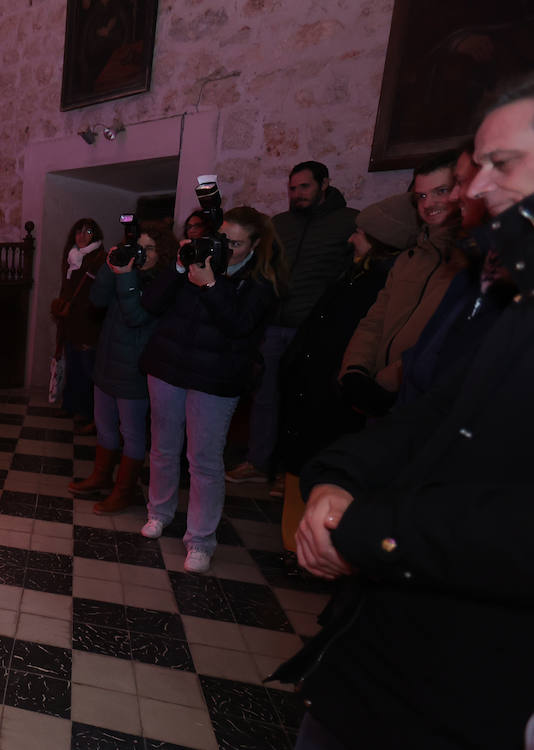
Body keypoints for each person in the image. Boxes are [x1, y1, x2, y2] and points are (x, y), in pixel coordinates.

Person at [274, 73, 534, 750]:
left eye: (500, 166)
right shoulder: (514, 300)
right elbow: (441, 407)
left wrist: (366, 531)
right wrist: (336, 478)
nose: (472, 191)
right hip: (390, 641)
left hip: (480, 668)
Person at [138, 207, 281, 573]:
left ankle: (200, 540)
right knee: (163, 449)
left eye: (236, 243)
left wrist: (212, 285)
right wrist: (180, 268)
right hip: (168, 367)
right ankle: (159, 513)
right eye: (224, 240)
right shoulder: (199, 262)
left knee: (203, 461)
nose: (227, 249)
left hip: (216, 379)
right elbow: (151, 303)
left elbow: (239, 326)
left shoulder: (261, 282)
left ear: (255, 245)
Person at [275, 193, 414, 549]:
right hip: (312, 385)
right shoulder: (353, 273)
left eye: (360, 234)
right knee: (300, 463)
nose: (351, 238)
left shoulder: (383, 284)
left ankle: (308, 548)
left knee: (322, 469)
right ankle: (292, 544)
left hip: (336, 392)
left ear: (381, 241)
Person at [227, 161, 357, 487]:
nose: (297, 193)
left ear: (324, 184)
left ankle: (293, 471)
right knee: (265, 397)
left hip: (313, 328)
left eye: (304, 187)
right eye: (292, 188)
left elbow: (350, 273)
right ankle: (259, 462)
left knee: (305, 400)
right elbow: (262, 265)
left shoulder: (348, 222)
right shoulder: (280, 223)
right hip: (273, 324)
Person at [337, 152, 465, 417]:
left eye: (440, 190)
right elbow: (374, 320)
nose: (429, 203)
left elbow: (449, 339)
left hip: (424, 400)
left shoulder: (470, 262)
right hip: (378, 395)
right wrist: (354, 370)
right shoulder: (410, 259)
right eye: (421, 196)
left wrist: (389, 381)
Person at [69, 226, 174, 514]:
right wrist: (110, 265)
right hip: (107, 363)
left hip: (135, 370)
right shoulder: (126, 274)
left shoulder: (162, 285)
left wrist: (125, 277)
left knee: (132, 433)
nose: (143, 253)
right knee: (104, 427)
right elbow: (98, 300)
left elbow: (135, 317)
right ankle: (101, 477)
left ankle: (124, 491)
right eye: (139, 247)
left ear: (163, 253)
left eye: (150, 248)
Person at [51, 218, 107, 439]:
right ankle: (71, 405)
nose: (82, 236)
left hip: (88, 322)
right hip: (71, 322)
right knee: (73, 365)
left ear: (96, 235)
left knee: (87, 369)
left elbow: (97, 294)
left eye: (88, 232)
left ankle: (87, 412)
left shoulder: (99, 259)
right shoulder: (72, 257)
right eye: (78, 231)